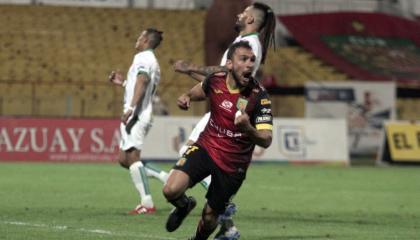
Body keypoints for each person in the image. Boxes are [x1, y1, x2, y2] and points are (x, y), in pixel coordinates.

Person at [173, 2, 276, 239]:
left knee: (191, 153)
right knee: (192, 154)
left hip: (229, 110)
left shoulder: (249, 44)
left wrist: (191, 67)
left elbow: (221, 71)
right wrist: (191, 81)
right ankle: (224, 217)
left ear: (250, 19)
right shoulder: (244, 41)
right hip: (223, 104)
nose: (239, 14)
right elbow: (220, 77)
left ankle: (224, 215)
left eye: (244, 12)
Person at [108, 28, 168, 215]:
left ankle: (147, 203)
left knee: (132, 158)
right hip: (140, 112)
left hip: (137, 113)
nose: (137, 38)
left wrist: (130, 108)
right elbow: (140, 83)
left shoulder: (144, 58)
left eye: (140, 36)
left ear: (146, 40)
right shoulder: (149, 60)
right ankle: (167, 177)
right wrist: (124, 84)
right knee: (124, 159)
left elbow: (142, 82)